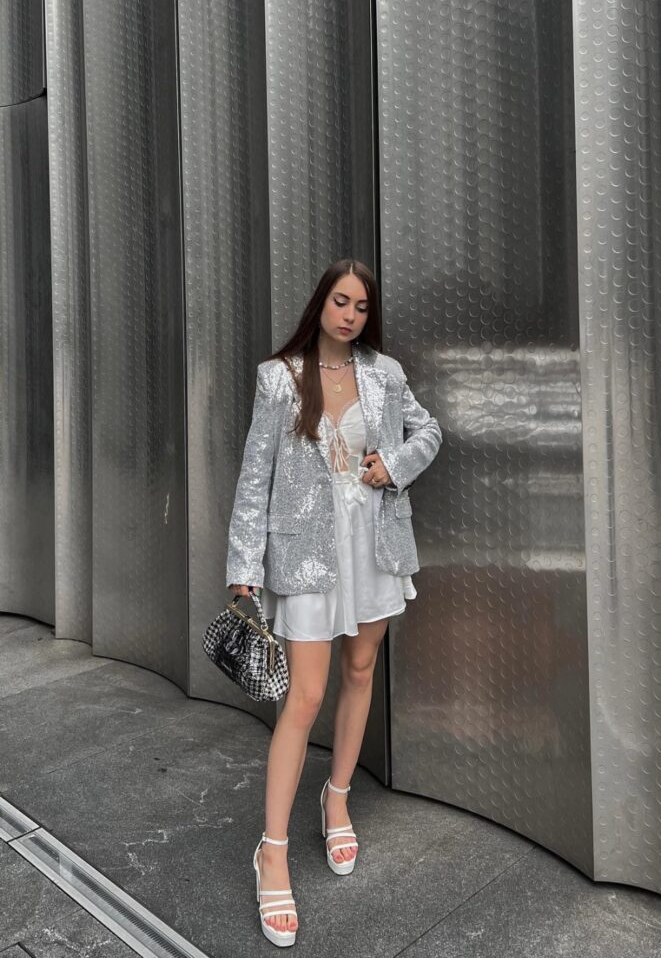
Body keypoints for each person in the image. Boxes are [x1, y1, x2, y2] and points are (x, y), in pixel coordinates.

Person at [225, 258, 442, 946]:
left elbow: (429, 432)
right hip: (309, 554)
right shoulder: (279, 378)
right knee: (306, 696)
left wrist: (394, 465)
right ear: (320, 303)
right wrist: (243, 566)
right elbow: (255, 470)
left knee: (359, 672)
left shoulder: (387, 373)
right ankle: (273, 851)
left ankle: (337, 799)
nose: (349, 315)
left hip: (374, 547)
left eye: (359, 307)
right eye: (339, 302)